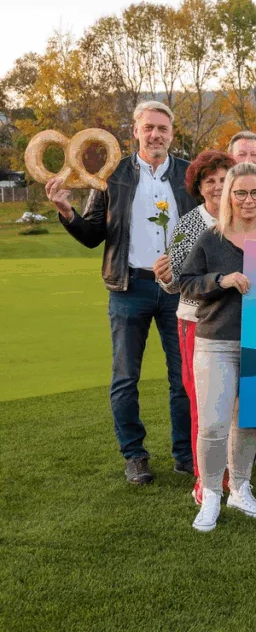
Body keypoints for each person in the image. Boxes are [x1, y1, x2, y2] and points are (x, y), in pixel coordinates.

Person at [46, 100, 195, 485]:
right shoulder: (112, 175)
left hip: (178, 290)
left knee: (183, 378)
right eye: (149, 128)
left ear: (171, 134)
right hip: (129, 288)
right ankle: (135, 456)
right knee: (126, 377)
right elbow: (93, 234)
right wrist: (67, 212)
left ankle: (185, 454)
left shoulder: (188, 175)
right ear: (135, 131)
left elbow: (202, 229)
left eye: (162, 128)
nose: (155, 134)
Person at [178, 162, 256, 532]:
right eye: (240, 192)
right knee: (213, 424)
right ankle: (210, 493)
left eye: (255, 192)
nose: (248, 199)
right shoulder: (211, 238)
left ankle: (241, 488)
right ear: (229, 196)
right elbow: (186, 283)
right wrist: (220, 280)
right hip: (216, 342)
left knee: (247, 423)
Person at [153, 150, 235, 503]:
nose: (217, 187)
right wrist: (164, 277)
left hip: (240, 321)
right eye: (209, 181)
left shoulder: (246, 220)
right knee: (204, 401)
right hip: (197, 322)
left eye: (223, 179)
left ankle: (235, 474)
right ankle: (207, 479)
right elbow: (176, 283)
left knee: (235, 405)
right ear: (199, 188)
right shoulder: (190, 224)